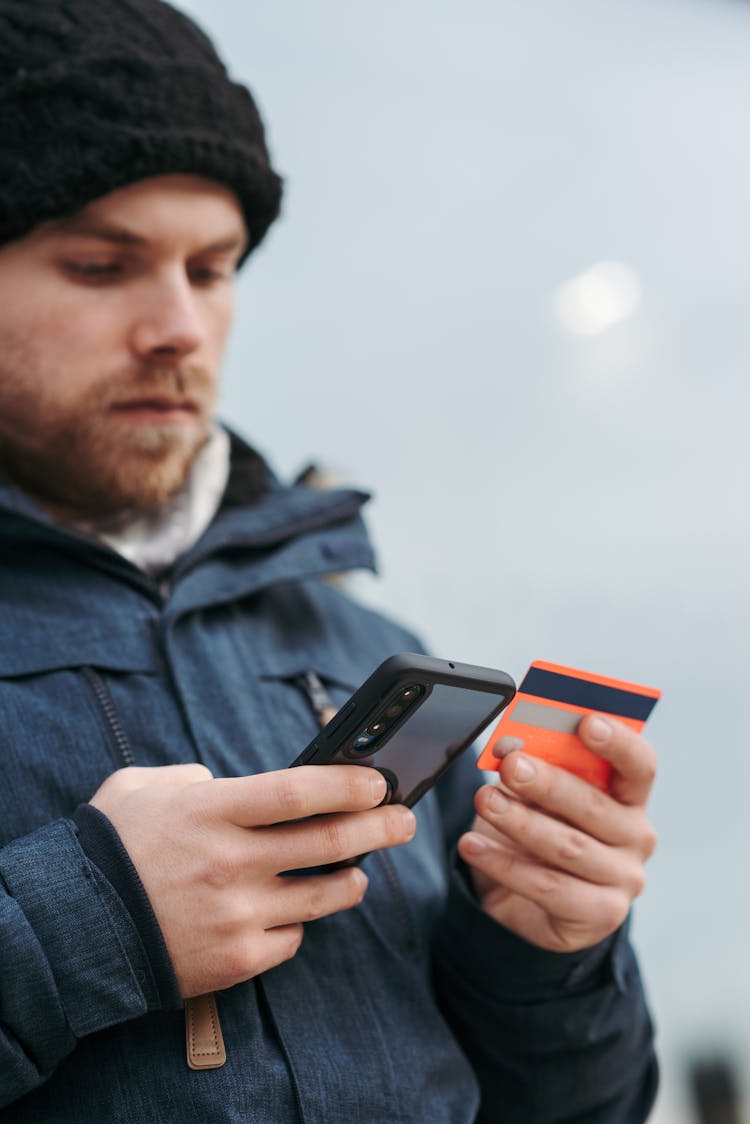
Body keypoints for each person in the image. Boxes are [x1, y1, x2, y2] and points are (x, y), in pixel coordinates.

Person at [0, 1, 659, 1120]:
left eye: (211, 270)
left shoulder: (368, 649)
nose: (179, 325)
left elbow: (580, 1105)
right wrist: (81, 927)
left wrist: (552, 956)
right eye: (102, 264)